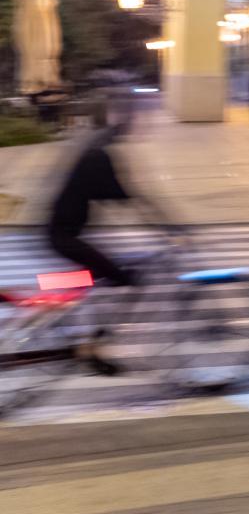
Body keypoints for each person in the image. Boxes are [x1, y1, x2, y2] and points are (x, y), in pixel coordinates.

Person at [45, 100, 180, 374]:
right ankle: (90, 348)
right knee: (120, 278)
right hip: (65, 237)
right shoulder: (98, 156)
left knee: (98, 277)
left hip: (63, 234)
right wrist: (167, 228)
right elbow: (128, 197)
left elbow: (119, 196)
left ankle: (83, 338)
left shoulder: (91, 150)